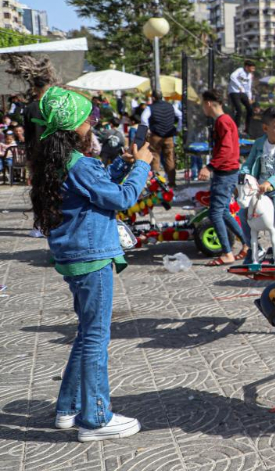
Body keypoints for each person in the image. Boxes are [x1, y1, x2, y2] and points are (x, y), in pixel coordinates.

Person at [29, 86, 154, 442]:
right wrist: (142, 165)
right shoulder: (79, 163)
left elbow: (94, 187)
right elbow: (123, 197)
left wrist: (122, 165)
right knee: (96, 337)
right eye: (89, 117)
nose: (92, 123)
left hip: (75, 255)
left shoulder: (57, 159)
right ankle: (96, 418)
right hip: (91, 257)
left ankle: (68, 408)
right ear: (73, 125)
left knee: (86, 333)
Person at [197, 89, 248, 266]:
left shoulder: (222, 121)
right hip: (227, 171)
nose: (202, 107)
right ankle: (247, 244)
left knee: (215, 212)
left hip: (225, 173)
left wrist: (209, 166)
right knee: (223, 210)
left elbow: (226, 150)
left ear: (208, 103)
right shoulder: (225, 121)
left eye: (203, 103)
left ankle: (227, 253)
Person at [240, 107, 275, 262]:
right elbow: (249, 162)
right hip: (259, 188)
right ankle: (254, 247)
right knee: (243, 214)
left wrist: (270, 182)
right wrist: (243, 175)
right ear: (266, 128)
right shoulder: (259, 143)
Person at [141, 91, 178, 187]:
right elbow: (181, 115)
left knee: (155, 158)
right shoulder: (171, 106)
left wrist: (147, 130)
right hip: (169, 135)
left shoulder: (150, 107)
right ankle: (172, 182)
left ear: (153, 98)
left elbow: (144, 118)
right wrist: (178, 129)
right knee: (170, 158)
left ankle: (156, 183)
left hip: (156, 135)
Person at [228, 60, 256, 134]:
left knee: (250, 109)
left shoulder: (249, 75)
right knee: (239, 110)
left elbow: (248, 87)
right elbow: (232, 76)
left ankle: (247, 129)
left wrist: (249, 97)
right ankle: (235, 128)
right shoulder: (240, 70)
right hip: (234, 91)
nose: (253, 70)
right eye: (252, 68)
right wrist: (239, 86)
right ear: (247, 67)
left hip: (242, 92)